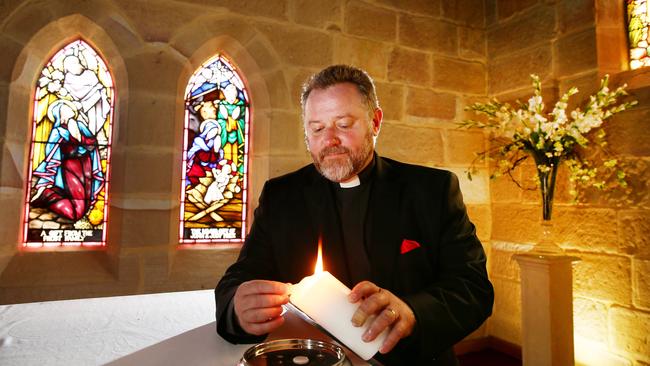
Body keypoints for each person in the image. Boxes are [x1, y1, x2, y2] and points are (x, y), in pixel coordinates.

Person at [215, 65, 493, 365]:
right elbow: (240, 278)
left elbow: (472, 287)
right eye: (317, 128)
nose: (329, 139)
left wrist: (413, 313)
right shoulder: (282, 195)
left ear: (375, 122)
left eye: (344, 124)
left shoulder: (431, 190)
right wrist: (237, 310)